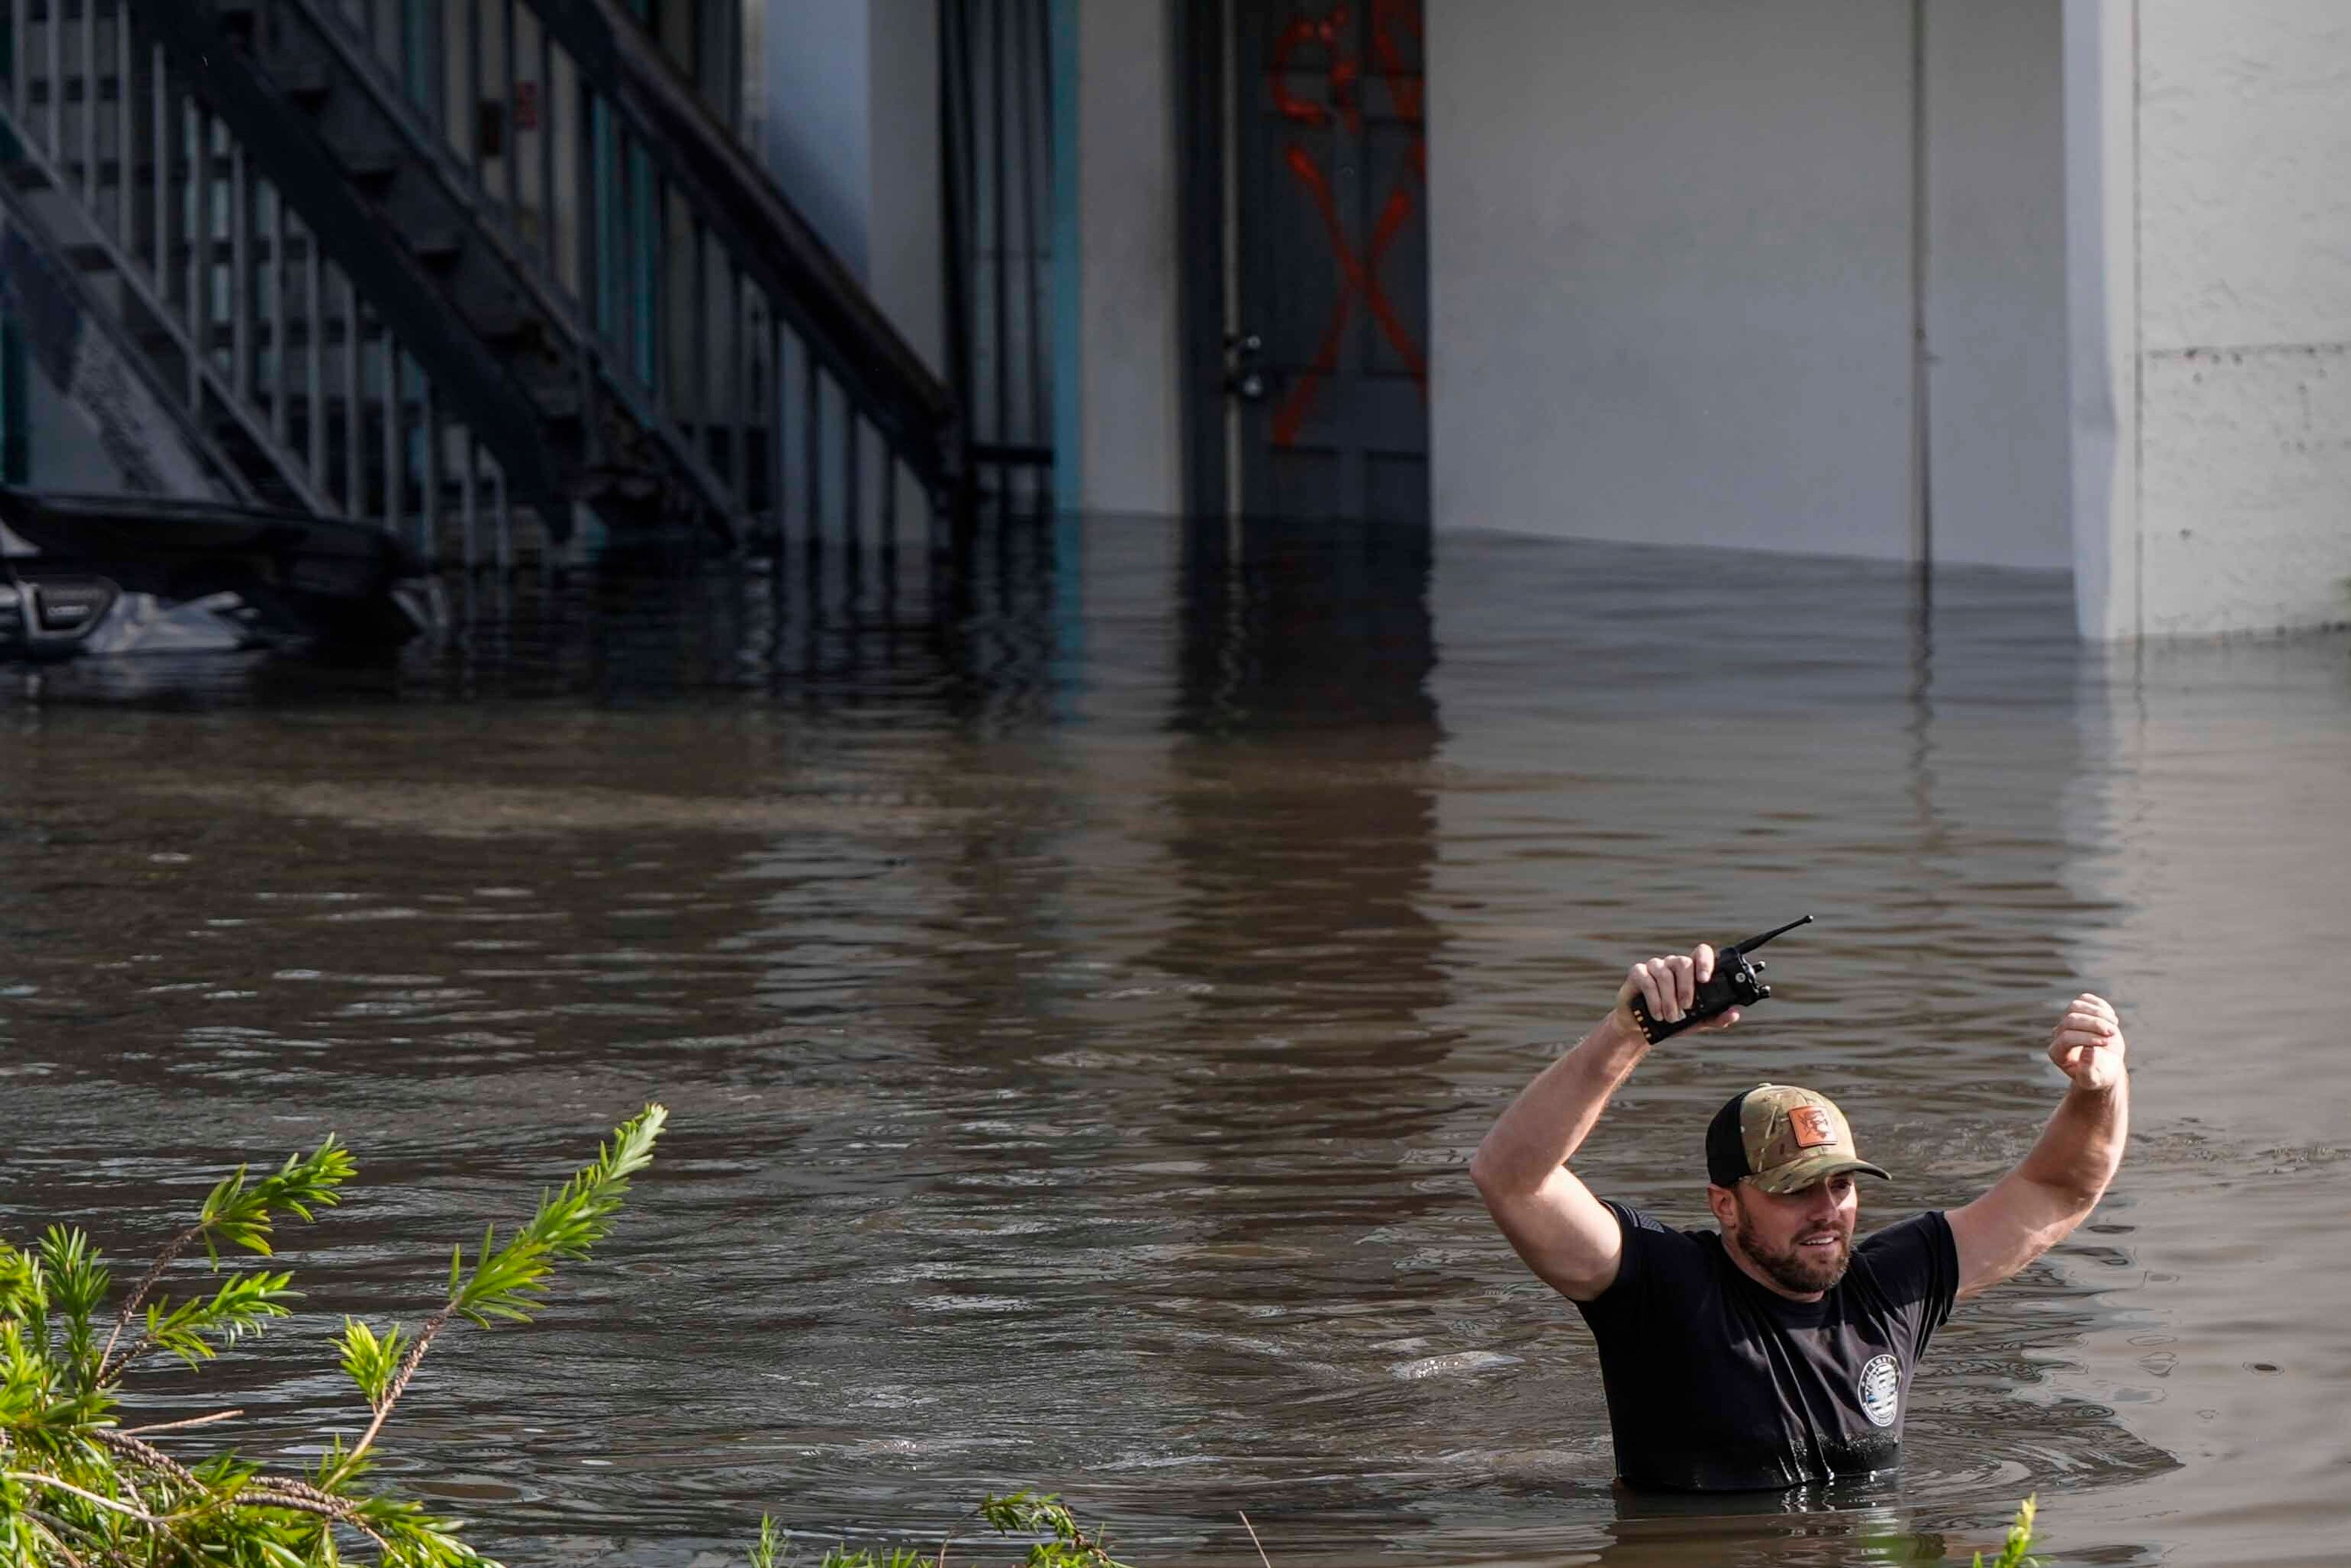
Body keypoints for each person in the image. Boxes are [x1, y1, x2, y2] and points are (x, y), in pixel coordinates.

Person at [1469, 942, 2129, 1491]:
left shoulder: (1892, 1289)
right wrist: (1626, 1035)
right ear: (1725, 1204)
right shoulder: (1660, 1289)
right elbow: (1511, 1177)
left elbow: (2057, 1189)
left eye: (1840, 1184)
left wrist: (2099, 1088)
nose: (1826, 1211)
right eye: (1794, 1189)